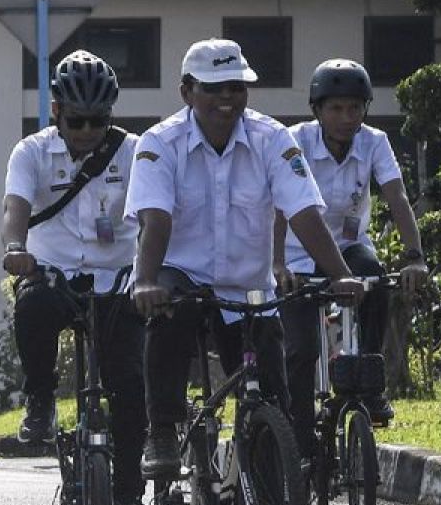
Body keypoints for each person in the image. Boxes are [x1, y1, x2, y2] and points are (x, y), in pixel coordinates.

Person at [126, 39, 364, 479]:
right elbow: (155, 219)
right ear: (187, 92)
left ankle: (269, 501)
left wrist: (341, 275)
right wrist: (145, 281)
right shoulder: (159, 143)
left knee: (271, 394)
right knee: (169, 318)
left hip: (248, 285)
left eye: (235, 87)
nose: (227, 98)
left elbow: (304, 213)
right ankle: (161, 430)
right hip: (182, 274)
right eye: (213, 88)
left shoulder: (272, 139)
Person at [2, 50, 148, 505]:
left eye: (98, 121)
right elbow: (15, 207)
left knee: (130, 386)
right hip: (54, 274)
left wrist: (153, 270)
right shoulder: (30, 153)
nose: (87, 131)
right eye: (77, 120)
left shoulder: (134, 153)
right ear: (56, 111)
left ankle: (128, 499)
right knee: (32, 305)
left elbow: (156, 213)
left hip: (117, 279)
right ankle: (40, 399)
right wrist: (16, 248)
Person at [276, 59, 428, 456]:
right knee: (301, 349)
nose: (347, 118)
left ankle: (370, 382)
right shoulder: (294, 141)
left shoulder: (374, 141)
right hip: (297, 253)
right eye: (336, 108)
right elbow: (276, 206)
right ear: (317, 110)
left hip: (348, 247)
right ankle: (300, 436)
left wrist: (414, 257)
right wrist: (276, 264)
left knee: (373, 278)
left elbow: (397, 198)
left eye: (355, 108)